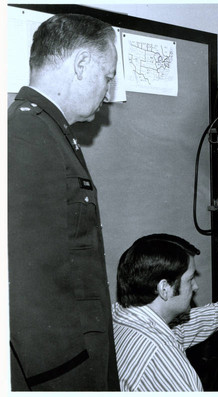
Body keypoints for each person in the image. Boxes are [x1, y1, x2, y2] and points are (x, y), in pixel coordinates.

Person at [8, 14, 119, 391]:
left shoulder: (47, 131)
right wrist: (65, 376)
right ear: (82, 64)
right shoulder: (26, 134)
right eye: (108, 76)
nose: (108, 91)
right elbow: (29, 277)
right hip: (61, 370)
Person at [112, 233, 218, 391]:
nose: (195, 286)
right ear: (164, 288)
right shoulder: (163, 358)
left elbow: (187, 326)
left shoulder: (119, 315)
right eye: (190, 279)